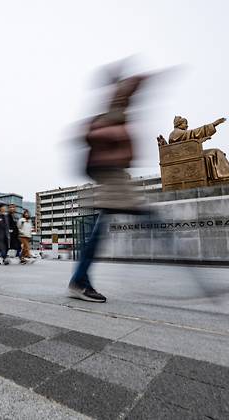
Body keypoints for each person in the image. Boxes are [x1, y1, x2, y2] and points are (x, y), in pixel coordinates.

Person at [68, 69, 149, 303]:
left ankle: (79, 280)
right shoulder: (111, 115)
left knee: (98, 234)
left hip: (115, 177)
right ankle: (79, 281)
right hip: (112, 178)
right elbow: (90, 135)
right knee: (148, 220)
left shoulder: (116, 113)